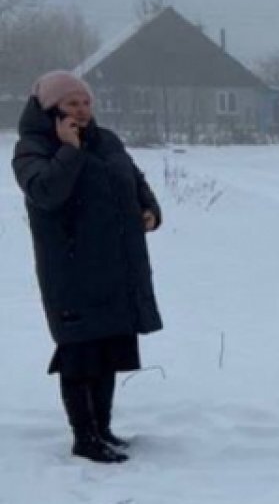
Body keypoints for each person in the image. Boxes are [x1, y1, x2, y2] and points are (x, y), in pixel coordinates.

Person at [10, 70, 164, 464]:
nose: (81, 110)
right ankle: (84, 437)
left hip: (115, 265)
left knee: (109, 346)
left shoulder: (107, 139)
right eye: (71, 103)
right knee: (80, 352)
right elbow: (45, 192)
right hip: (72, 268)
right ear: (50, 109)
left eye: (85, 102)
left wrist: (149, 208)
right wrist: (69, 149)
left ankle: (103, 429)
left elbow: (133, 178)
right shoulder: (32, 148)